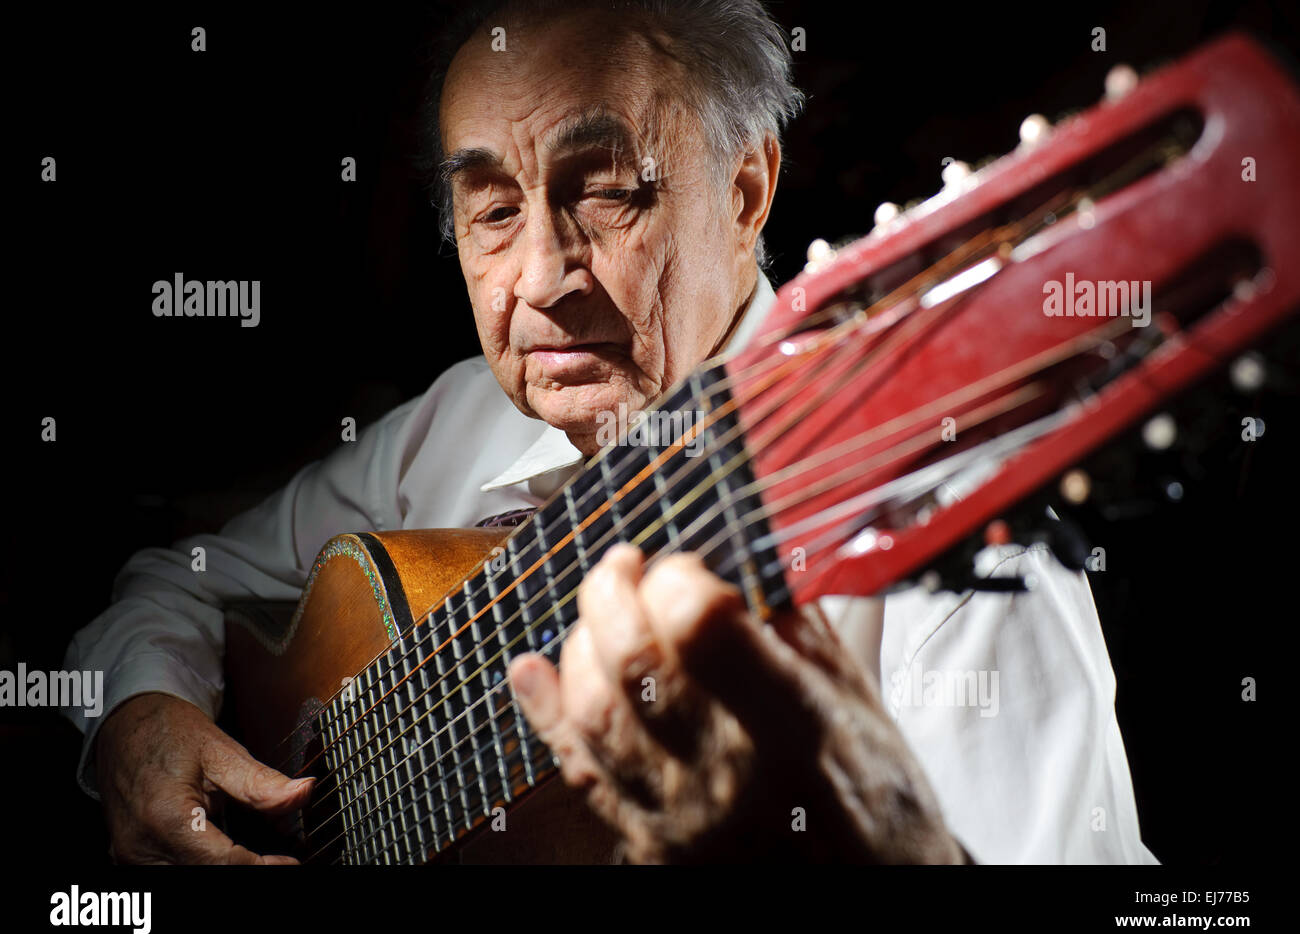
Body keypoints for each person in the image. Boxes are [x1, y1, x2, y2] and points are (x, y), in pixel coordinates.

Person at [63, 0, 1157, 864]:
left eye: (604, 192)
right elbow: (179, 577)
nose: (538, 279)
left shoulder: (943, 549)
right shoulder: (453, 423)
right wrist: (140, 713)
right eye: (492, 213)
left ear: (744, 188)